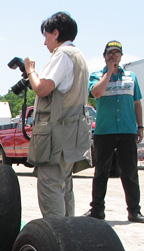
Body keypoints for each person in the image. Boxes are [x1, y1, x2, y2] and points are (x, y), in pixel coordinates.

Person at [24, 12, 91, 218]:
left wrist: (30, 71)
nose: (45, 42)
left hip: (57, 137)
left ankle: (57, 239)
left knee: (50, 186)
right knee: (64, 187)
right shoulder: (79, 56)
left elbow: (43, 88)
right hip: (72, 134)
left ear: (56, 33)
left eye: (46, 36)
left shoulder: (62, 55)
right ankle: (68, 235)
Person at [84, 40, 144, 223]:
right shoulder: (97, 76)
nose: (113, 56)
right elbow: (96, 93)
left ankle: (134, 211)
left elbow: (137, 103)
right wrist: (109, 72)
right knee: (101, 171)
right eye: (109, 53)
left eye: (116, 53)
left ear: (121, 56)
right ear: (104, 56)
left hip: (127, 130)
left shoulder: (131, 77)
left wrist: (140, 126)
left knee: (129, 172)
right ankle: (97, 210)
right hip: (105, 131)